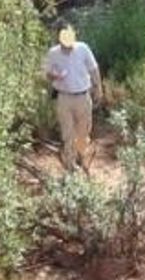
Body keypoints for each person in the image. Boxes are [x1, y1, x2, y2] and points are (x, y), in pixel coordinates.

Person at [42, 22, 102, 173]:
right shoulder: (53, 53)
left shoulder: (83, 48)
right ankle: (70, 166)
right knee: (68, 134)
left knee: (83, 132)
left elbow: (94, 69)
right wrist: (54, 75)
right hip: (64, 99)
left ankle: (81, 157)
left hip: (83, 96)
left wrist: (98, 89)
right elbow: (46, 74)